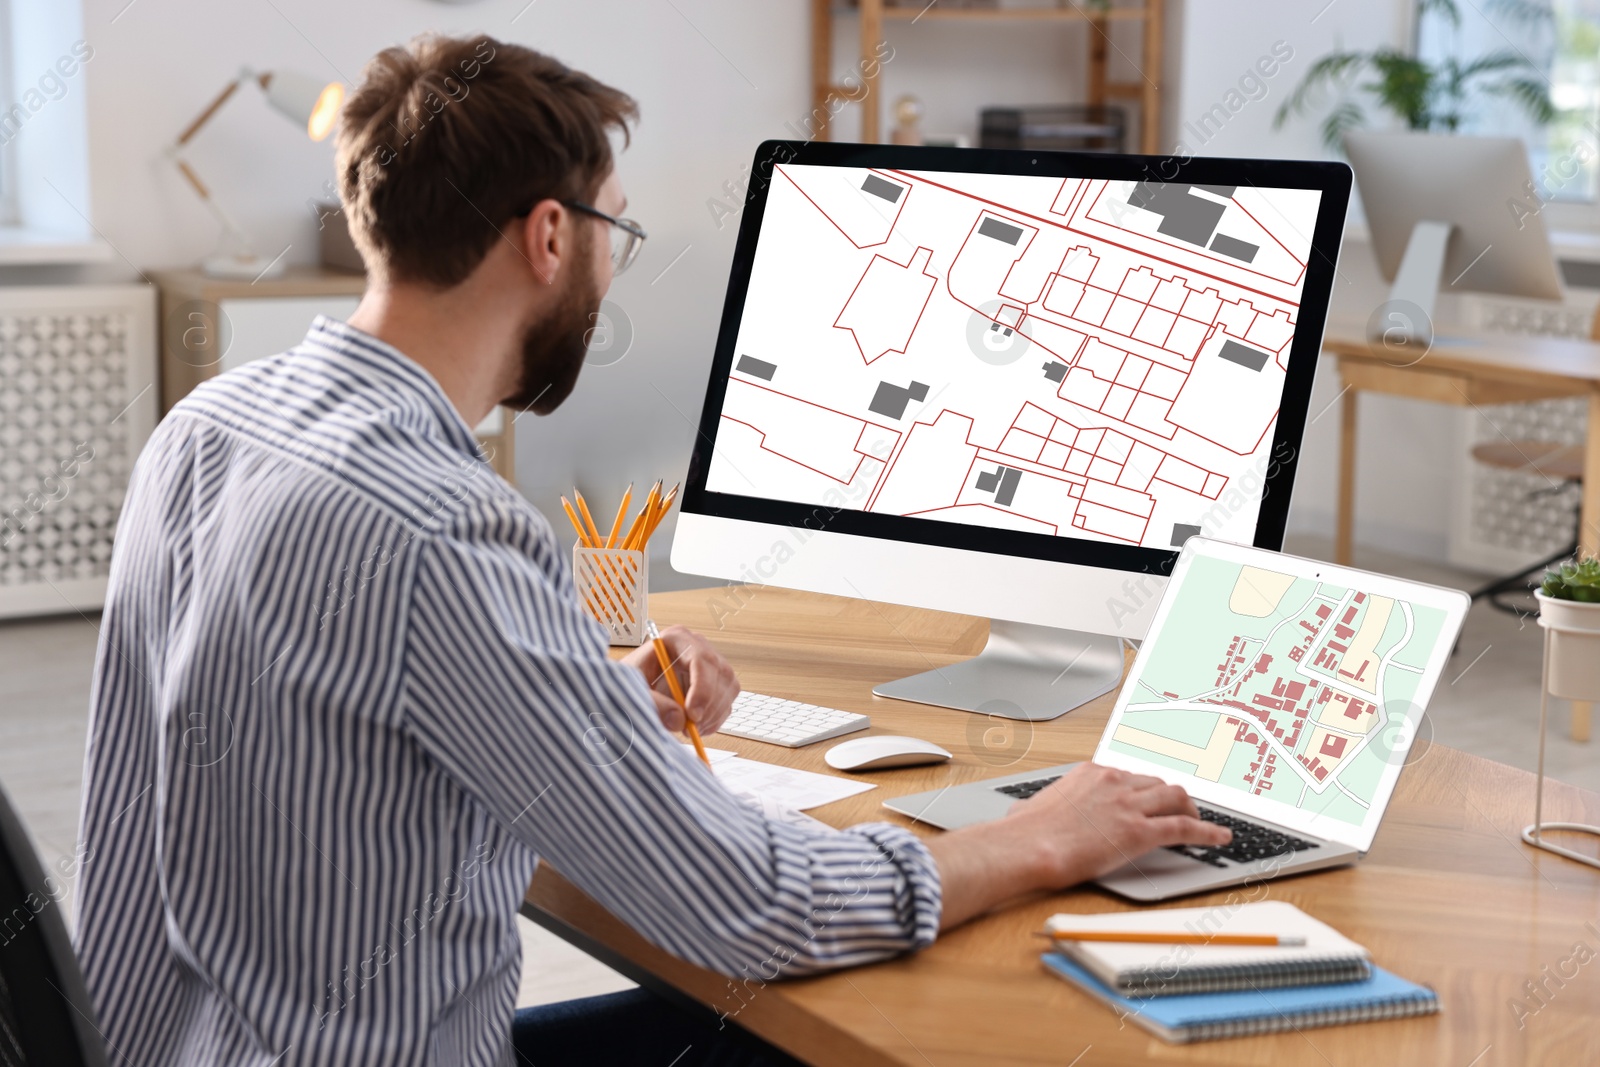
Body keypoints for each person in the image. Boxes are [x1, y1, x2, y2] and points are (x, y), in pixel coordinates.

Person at [73, 33, 1229, 1067]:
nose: (610, 263)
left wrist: (579, 704)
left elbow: (303, 743)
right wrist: (1038, 833)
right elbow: (753, 905)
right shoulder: (446, 531)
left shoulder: (208, 430)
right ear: (547, 236)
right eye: (613, 230)